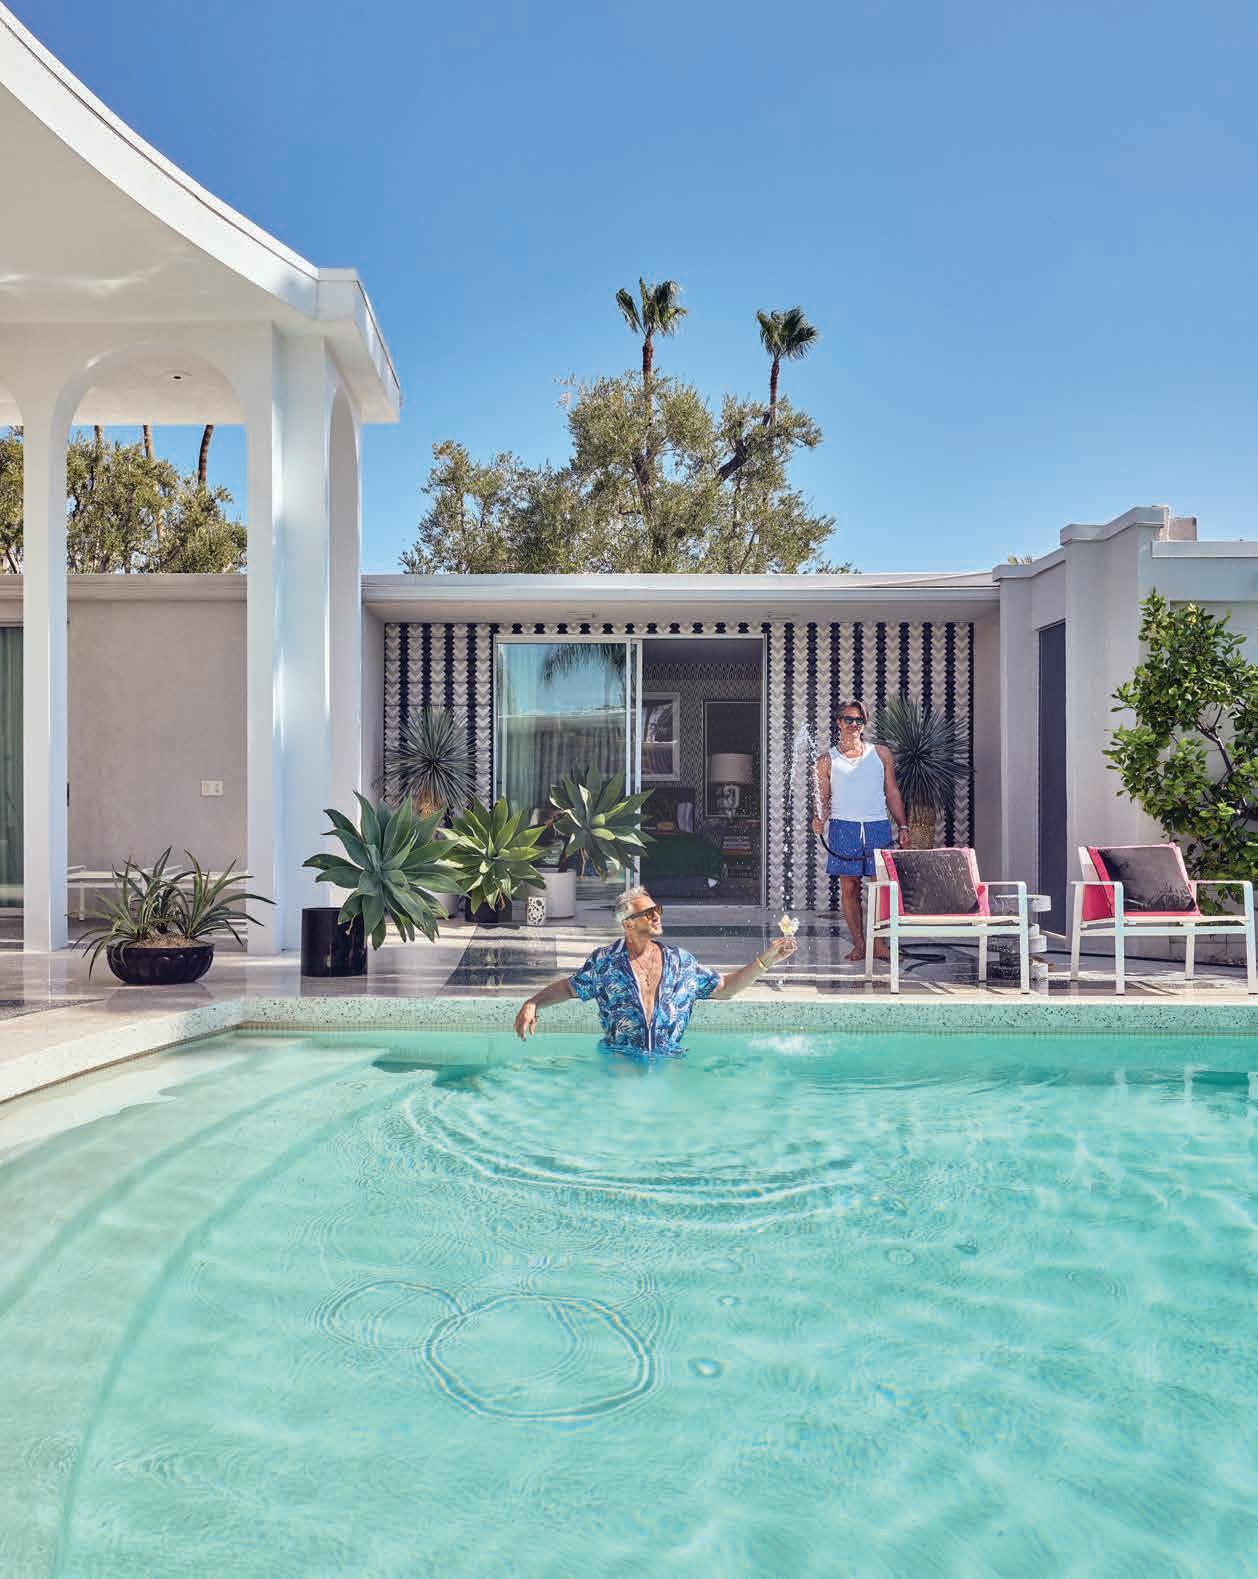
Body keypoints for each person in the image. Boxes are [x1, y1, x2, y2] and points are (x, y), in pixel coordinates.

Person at [513, 886, 796, 1055]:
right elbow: (569, 987)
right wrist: (533, 1002)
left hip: (669, 1062)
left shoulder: (680, 962)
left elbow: (725, 988)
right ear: (628, 924)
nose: (657, 915)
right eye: (648, 913)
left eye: (657, 909)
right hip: (619, 1063)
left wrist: (766, 960)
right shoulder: (605, 962)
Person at [811, 700, 909, 963]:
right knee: (850, 887)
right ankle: (859, 944)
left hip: (877, 826)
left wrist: (903, 825)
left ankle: (879, 945)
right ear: (838, 722)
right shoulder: (826, 761)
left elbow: (892, 792)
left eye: (859, 720)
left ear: (864, 724)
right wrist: (818, 819)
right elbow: (823, 800)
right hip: (844, 827)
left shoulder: (881, 754)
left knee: (880, 887)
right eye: (848, 719)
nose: (854, 725)